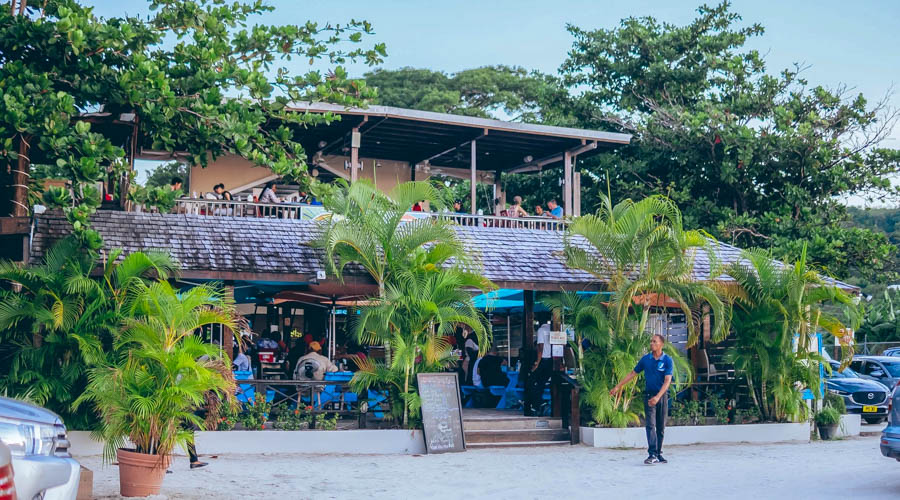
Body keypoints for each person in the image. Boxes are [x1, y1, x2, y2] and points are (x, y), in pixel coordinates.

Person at [609, 333, 673, 465]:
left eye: (655, 342)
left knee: (661, 427)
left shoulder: (667, 360)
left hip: (661, 397)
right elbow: (633, 373)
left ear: (661, 344)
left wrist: (658, 397)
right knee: (650, 425)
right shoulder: (646, 359)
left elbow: (667, 382)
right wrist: (617, 387)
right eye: (651, 341)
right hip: (649, 396)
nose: (652, 344)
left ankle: (658, 454)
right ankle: (652, 454)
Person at [525, 322, 553, 416]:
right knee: (541, 383)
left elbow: (540, 347)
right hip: (551, 361)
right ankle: (538, 405)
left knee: (530, 382)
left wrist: (537, 363)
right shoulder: (552, 329)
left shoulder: (541, 330)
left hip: (543, 360)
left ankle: (538, 404)